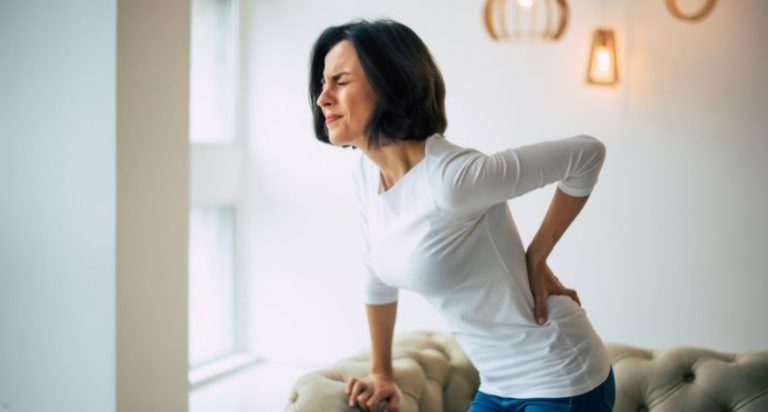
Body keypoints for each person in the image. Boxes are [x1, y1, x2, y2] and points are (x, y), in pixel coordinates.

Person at [308, 18, 615, 412]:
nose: (323, 98)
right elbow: (377, 278)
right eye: (322, 84)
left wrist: (538, 254)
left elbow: (586, 153)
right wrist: (381, 372)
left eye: (340, 81)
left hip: (561, 377)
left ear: (389, 84)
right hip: (497, 384)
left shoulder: (451, 178)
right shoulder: (368, 174)